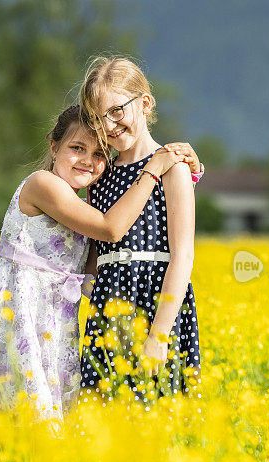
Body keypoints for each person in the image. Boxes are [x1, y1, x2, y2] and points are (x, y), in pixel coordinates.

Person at [0, 105, 195, 421]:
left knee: (32, 414)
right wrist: (154, 168)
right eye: (77, 148)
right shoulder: (44, 183)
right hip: (19, 311)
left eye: (99, 154)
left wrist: (189, 174)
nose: (87, 160)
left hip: (52, 319)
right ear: (54, 147)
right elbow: (112, 228)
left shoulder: (80, 208)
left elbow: (94, 270)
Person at [78, 56, 204, 412]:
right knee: (103, 420)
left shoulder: (174, 167)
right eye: (97, 119)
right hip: (107, 303)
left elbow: (183, 256)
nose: (109, 126)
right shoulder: (98, 174)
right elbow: (90, 251)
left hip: (156, 303)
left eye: (116, 111)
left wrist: (160, 334)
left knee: (157, 420)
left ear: (144, 103)